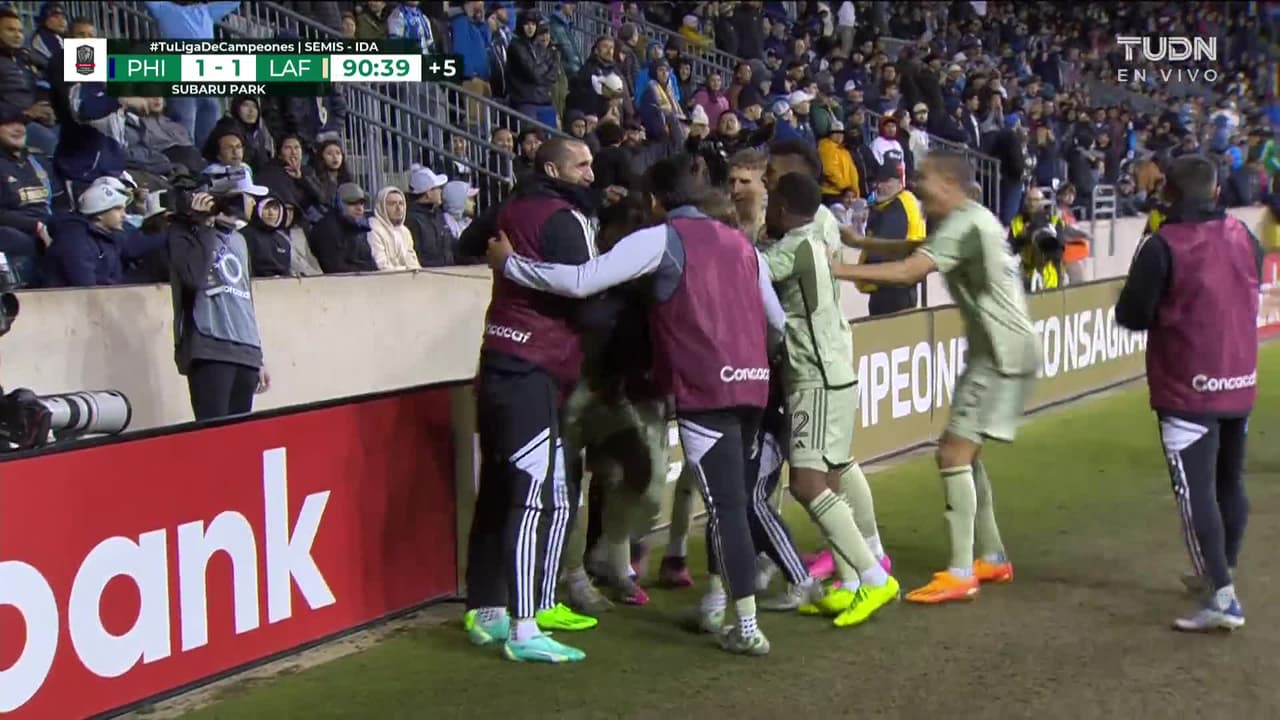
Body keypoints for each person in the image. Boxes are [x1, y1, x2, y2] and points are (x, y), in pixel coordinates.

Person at [487, 153, 786, 656]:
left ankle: (747, 624)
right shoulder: (741, 243)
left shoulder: (662, 238)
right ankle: (728, 611)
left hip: (704, 389)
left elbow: (580, 281)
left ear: (653, 200)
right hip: (753, 386)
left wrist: (511, 264)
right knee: (731, 502)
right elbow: (775, 320)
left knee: (726, 508)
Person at [830, 151, 1035, 604]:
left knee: (952, 453)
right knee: (966, 454)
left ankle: (961, 573)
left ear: (947, 183)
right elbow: (914, 249)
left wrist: (837, 269)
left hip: (999, 352)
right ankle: (992, 557)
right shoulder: (970, 220)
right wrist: (859, 241)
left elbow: (910, 270)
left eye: (923, 178)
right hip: (1001, 348)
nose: (917, 185)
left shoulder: (964, 223)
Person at [456, 138, 605, 664]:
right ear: (553, 170)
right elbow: (586, 297)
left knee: (504, 487)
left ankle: (489, 611)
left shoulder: (511, 206)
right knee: (533, 494)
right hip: (534, 368)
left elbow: (466, 243)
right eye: (581, 165)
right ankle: (525, 627)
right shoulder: (563, 219)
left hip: (501, 358)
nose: (591, 174)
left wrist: (509, 266)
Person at [1115, 155, 1262, 632]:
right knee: (1229, 481)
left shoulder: (1162, 246)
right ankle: (1221, 573)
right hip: (1239, 379)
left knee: (1195, 490)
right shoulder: (1245, 236)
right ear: (1217, 192)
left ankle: (1221, 595)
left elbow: (1131, 315)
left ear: (1168, 194)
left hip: (1186, 385)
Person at [753, 171, 901, 626]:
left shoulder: (793, 248)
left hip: (814, 378)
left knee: (806, 485)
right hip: (834, 371)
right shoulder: (815, 240)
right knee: (831, 479)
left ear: (781, 208)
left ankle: (874, 578)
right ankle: (850, 583)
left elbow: (747, 271)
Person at [168, 169, 273, 421]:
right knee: (213, 433)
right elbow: (192, 277)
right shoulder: (184, 231)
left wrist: (258, 355)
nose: (250, 204)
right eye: (243, 197)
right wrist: (201, 224)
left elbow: (246, 298)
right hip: (209, 347)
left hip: (246, 350)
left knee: (239, 436)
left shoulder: (240, 240)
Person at [857, 160, 927, 316]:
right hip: (898, 288)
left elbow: (882, 250)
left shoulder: (897, 207)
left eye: (886, 181)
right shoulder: (899, 203)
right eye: (878, 181)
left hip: (892, 290)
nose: (880, 186)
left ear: (898, 182)